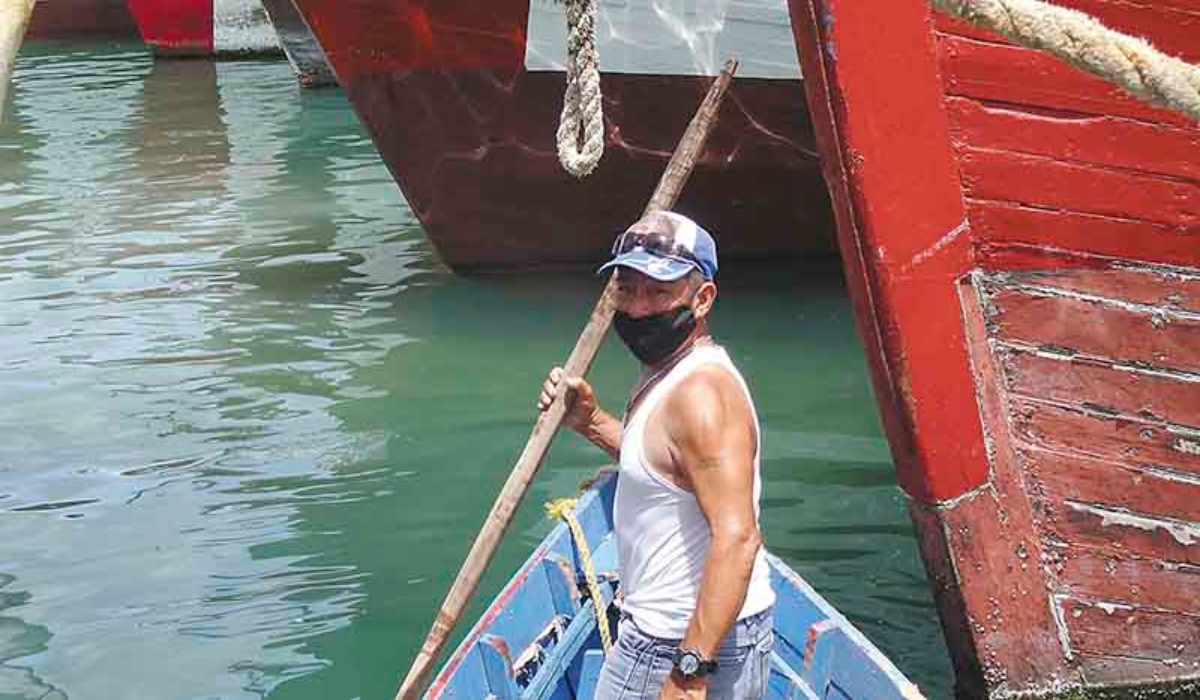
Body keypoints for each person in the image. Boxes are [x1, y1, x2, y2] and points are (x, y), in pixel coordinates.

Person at [537, 211, 775, 700]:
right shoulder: (669, 371)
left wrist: (687, 677)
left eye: (660, 292)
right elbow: (667, 470)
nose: (640, 308)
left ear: (702, 298)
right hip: (673, 632)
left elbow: (738, 539)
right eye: (629, 289)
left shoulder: (701, 394)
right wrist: (592, 421)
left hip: (676, 642)